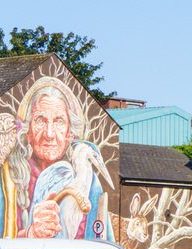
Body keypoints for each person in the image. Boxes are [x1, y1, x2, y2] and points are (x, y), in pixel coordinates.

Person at [1, 78, 111, 240]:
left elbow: (103, 242)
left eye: (59, 121)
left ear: (70, 132)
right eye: (40, 120)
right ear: (27, 131)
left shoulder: (91, 184)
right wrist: (31, 233)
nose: (49, 134)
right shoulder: (8, 178)